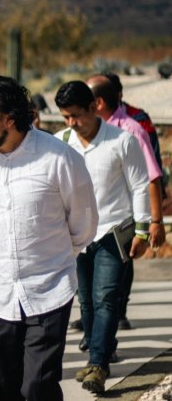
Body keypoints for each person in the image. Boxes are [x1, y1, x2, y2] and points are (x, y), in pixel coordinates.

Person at [0, 75, 98, 401]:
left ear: (9, 118)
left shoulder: (59, 159)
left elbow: (84, 226)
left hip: (48, 292)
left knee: (38, 389)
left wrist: (53, 258)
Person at [54, 80, 150, 394]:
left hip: (112, 231)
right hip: (75, 235)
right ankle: (99, 352)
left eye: (76, 115)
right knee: (86, 302)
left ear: (95, 106)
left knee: (106, 298)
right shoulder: (61, 142)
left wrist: (142, 229)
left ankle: (98, 363)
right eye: (65, 117)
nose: (71, 123)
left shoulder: (123, 141)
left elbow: (139, 186)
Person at [86, 75, 166, 333]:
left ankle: (115, 316)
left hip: (123, 216)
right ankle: (95, 324)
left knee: (118, 270)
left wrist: (154, 221)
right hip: (91, 220)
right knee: (90, 287)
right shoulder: (82, 131)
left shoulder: (132, 127)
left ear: (97, 102)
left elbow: (152, 176)